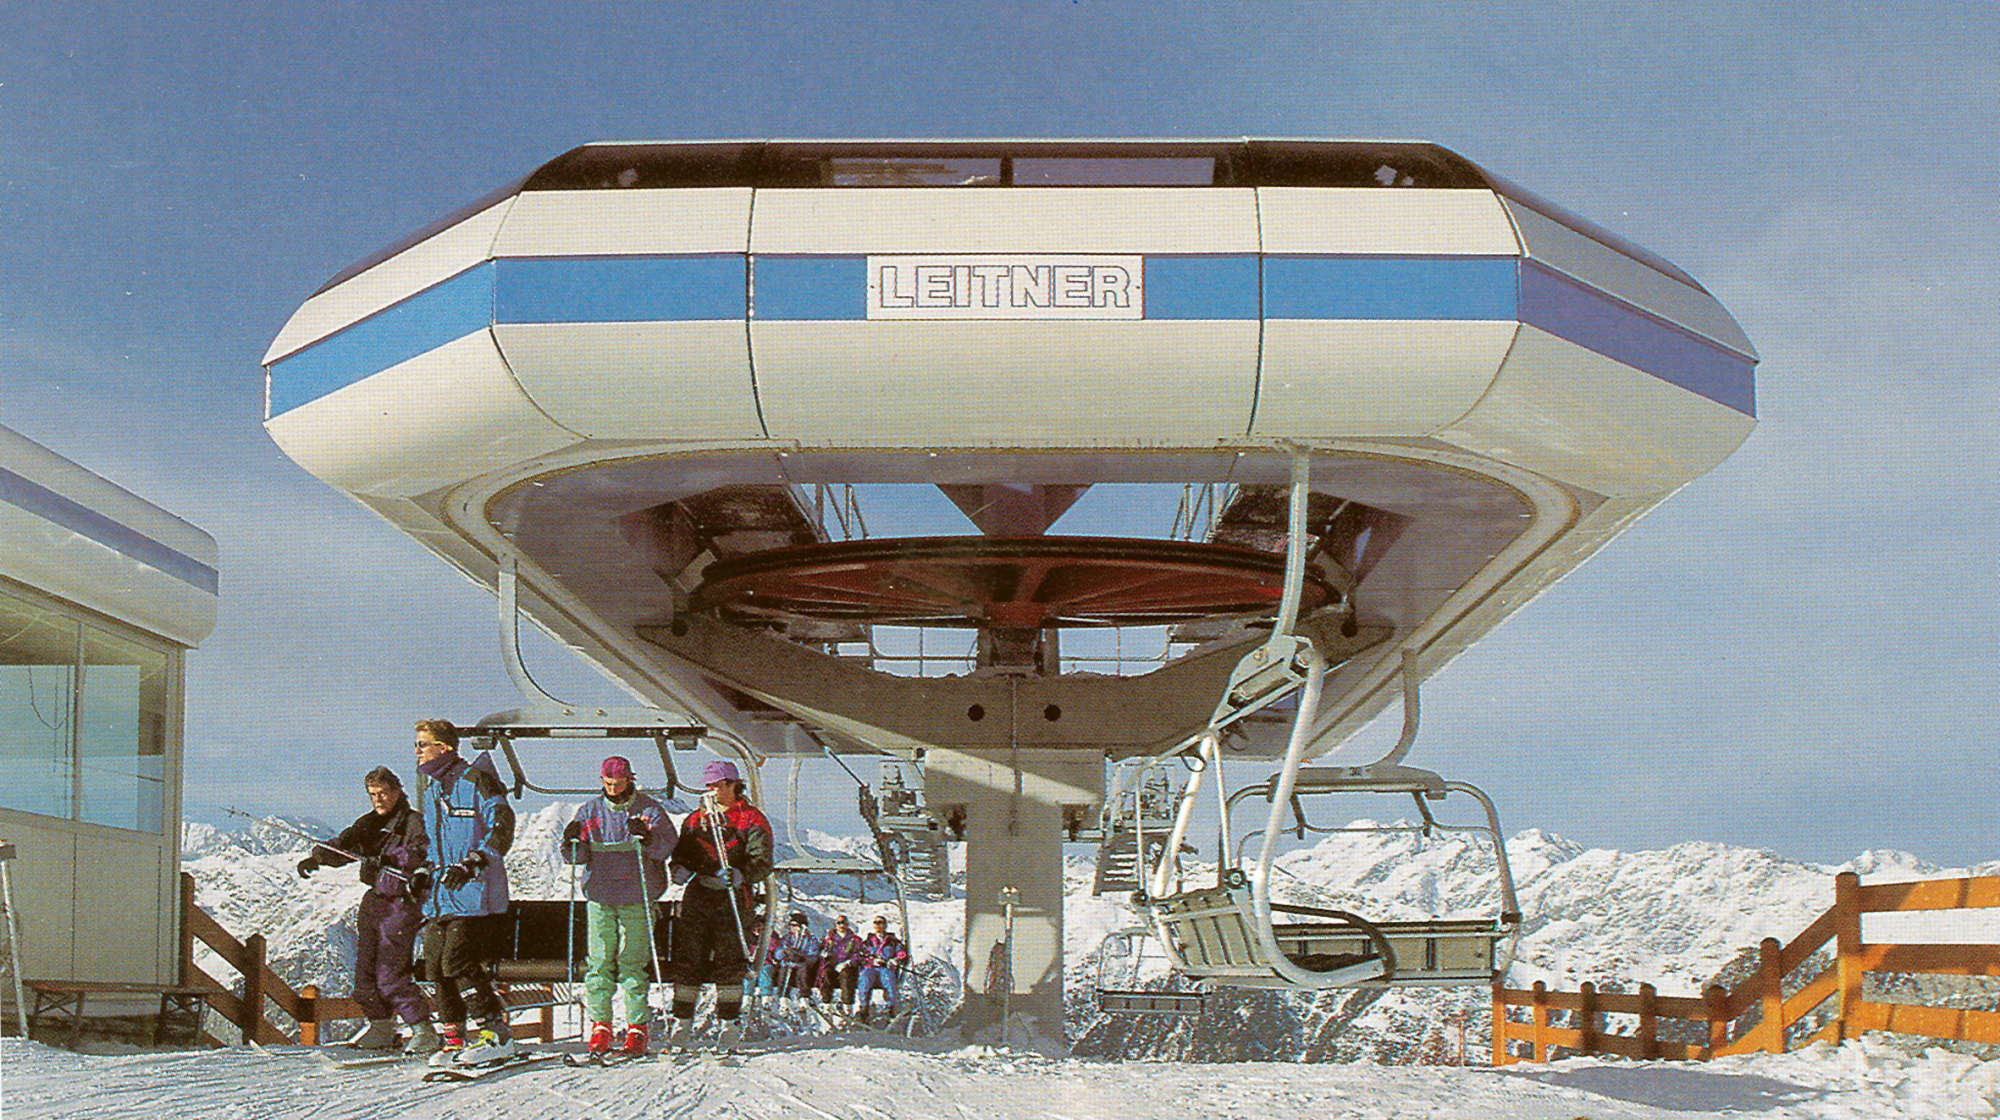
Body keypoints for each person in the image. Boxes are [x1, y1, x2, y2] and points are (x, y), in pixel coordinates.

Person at [297, 766, 440, 1055]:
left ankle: (423, 1029)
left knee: (390, 971)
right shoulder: (368, 824)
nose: (379, 800)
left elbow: (421, 853)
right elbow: (345, 844)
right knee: (365, 972)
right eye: (373, 795)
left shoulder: (411, 822)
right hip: (374, 899)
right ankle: (381, 1026)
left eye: (384, 793)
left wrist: (389, 858)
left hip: (401, 901)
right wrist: (318, 858)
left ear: (397, 791)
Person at [411, 718, 516, 1065]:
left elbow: (503, 825)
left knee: (457, 961)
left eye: (422, 744)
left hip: (474, 895)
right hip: (440, 897)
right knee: (435, 969)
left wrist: (474, 862)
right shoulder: (432, 791)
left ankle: (494, 1033)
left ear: (444, 748)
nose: (417, 751)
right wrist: (423, 872)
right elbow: (430, 843)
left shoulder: (476, 781)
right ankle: (454, 1038)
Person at [560, 756, 673, 1058]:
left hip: (637, 894)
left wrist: (647, 837)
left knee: (632, 961)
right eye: (607, 783)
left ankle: (637, 1026)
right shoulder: (590, 811)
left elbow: (666, 847)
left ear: (629, 780)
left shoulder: (648, 810)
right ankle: (601, 1024)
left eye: (618, 783)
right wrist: (571, 843)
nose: (612, 789)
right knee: (599, 961)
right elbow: (576, 856)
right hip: (601, 894)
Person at [664, 759, 773, 1053]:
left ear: (732, 784)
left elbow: (762, 860)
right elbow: (683, 853)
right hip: (700, 894)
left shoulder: (751, 819)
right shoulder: (696, 820)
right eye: (708, 786)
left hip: (733, 898)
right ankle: (682, 1021)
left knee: (730, 956)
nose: (711, 791)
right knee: (689, 955)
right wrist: (681, 869)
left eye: (716, 785)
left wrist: (741, 875)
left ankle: (728, 1022)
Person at [853, 914, 910, 1023]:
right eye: (876, 923)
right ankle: (864, 1008)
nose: (878, 925)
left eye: (881, 922)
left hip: (886, 967)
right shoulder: (868, 942)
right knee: (864, 980)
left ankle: (891, 1007)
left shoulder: (892, 941)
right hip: (871, 967)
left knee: (889, 980)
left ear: (885, 925)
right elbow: (861, 955)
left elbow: (902, 953)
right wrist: (871, 961)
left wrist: (896, 960)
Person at [813, 914, 864, 1010]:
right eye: (839, 923)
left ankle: (847, 1004)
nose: (841, 925)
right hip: (832, 964)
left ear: (847, 924)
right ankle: (826, 1002)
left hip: (847, 966)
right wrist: (824, 953)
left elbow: (858, 954)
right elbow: (822, 949)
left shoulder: (854, 939)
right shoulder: (830, 939)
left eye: (843, 923)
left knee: (846, 976)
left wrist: (848, 962)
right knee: (826, 973)